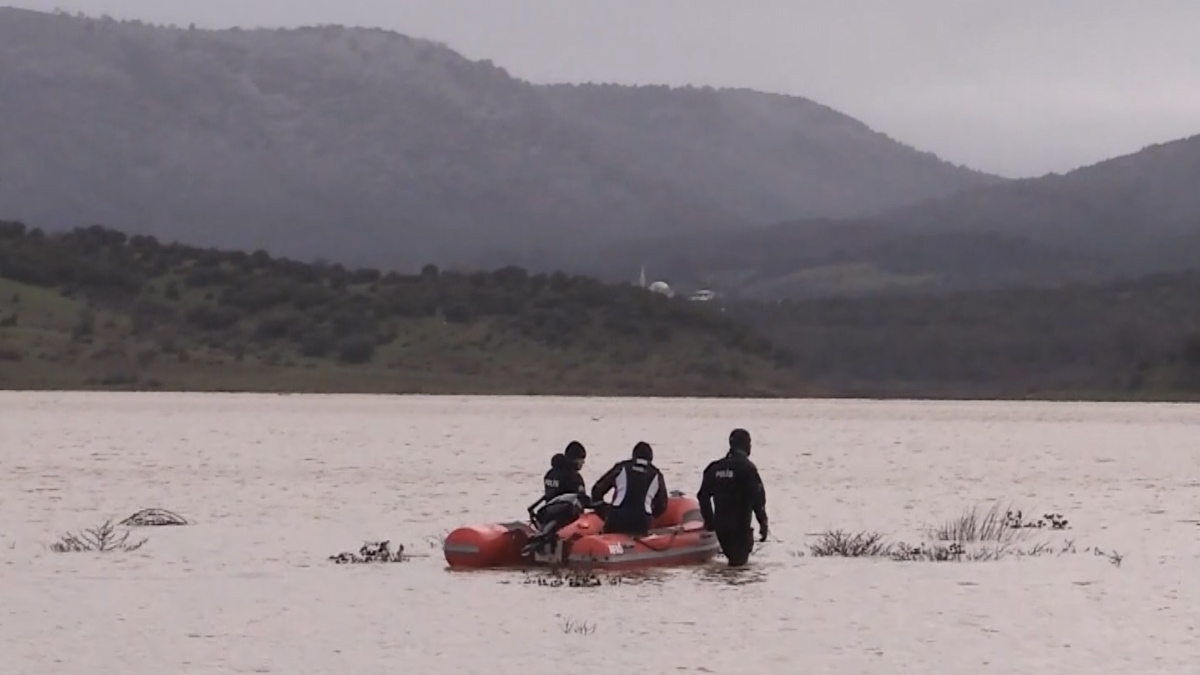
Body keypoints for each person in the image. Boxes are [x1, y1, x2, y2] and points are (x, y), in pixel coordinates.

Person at [697, 428, 768, 567]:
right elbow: (758, 499)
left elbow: (702, 496)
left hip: (722, 529)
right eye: (750, 443)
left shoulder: (714, 468)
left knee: (731, 564)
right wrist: (763, 523)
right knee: (739, 567)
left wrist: (710, 522)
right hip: (740, 529)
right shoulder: (748, 468)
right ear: (746, 445)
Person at [590, 442, 668, 535]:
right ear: (650, 458)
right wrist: (651, 515)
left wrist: (602, 510)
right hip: (641, 522)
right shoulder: (657, 475)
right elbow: (662, 505)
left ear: (633, 455)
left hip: (617, 518)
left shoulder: (621, 468)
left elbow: (597, 490)